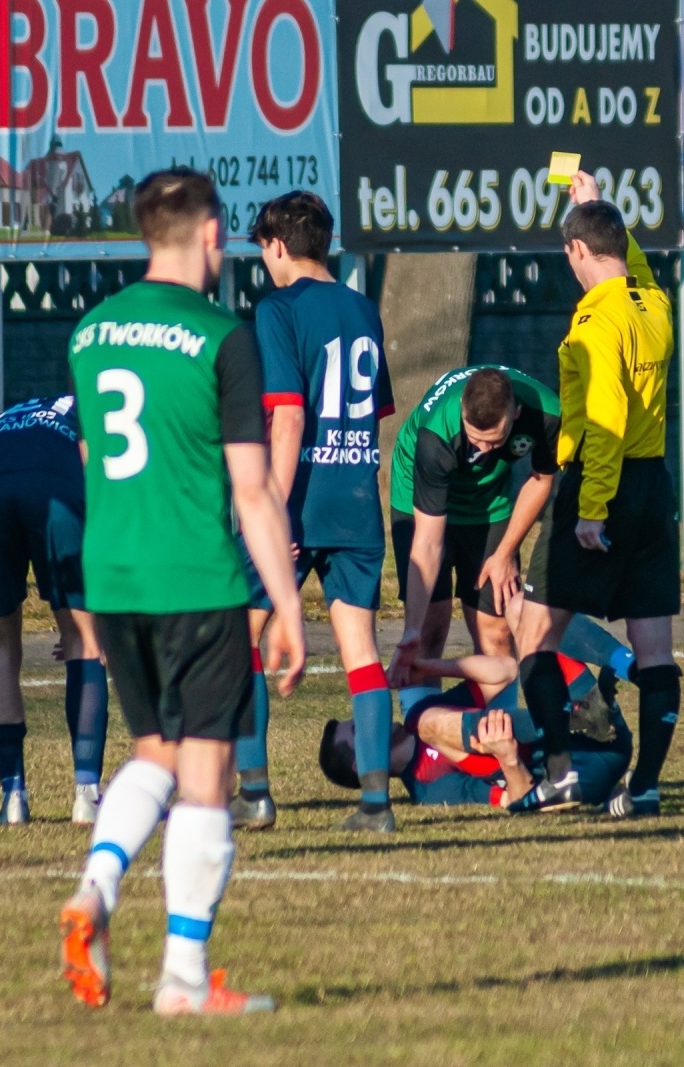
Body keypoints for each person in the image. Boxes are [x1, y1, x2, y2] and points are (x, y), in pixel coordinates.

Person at [56, 168, 306, 1015]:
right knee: (206, 776)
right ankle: (184, 981)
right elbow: (253, 485)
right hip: (194, 574)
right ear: (210, 236)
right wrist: (285, 602)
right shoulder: (221, 335)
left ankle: (95, 888)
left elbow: (92, 461)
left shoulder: (91, 334)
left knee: (155, 750)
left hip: (113, 574)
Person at [511, 170, 682, 818]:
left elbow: (605, 419)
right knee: (656, 648)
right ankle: (646, 787)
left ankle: (560, 772)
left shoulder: (596, 321)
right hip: (653, 482)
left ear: (577, 251)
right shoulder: (653, 303)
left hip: (600, 483)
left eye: (570, 251)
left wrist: (588, 510)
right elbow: (628, 261)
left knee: (535, 638)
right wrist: (594, 208)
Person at [233, 190, 396, 834]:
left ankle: (254, 793)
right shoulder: (363, 308)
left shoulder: (278, 308)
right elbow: (373, 415)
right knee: (360, 649)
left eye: (264, 250)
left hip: (298, 496)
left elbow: (290, 415)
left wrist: (269, 505)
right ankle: (376, 805)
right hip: (356, 495)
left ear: (276, 246)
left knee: (240, 635)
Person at [0, 395, 108, 826]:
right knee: (84, 640)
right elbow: (103, 494)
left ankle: (13, 798)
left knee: (0, 647)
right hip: (55, 491)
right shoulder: (85, 414)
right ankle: (86, 795)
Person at [385, 365, 562, 710]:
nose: (480, 449)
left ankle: (503, 737)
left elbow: (542, 480)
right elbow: (428, 542)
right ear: (464, 414)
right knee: (430, 629)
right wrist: (410, 630)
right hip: (419, 498)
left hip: (489, 503)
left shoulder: (547, 415)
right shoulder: (436, 434)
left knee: (495, 629)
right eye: (474, 437)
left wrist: (504, 553)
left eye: (493, 441)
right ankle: (426, 742)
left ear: (516, 414)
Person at [319, 652, 632, 810]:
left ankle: (628, 664)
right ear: (361, 764)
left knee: (534, 614)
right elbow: (519, 801)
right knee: (432, 726)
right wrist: (508, 759)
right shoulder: (430, 788)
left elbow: (504, 672)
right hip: (579, 775)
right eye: (360, 727)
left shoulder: (417, 716)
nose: (372, 718)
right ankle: (570, 719)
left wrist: (428, 667)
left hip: (606, 736)